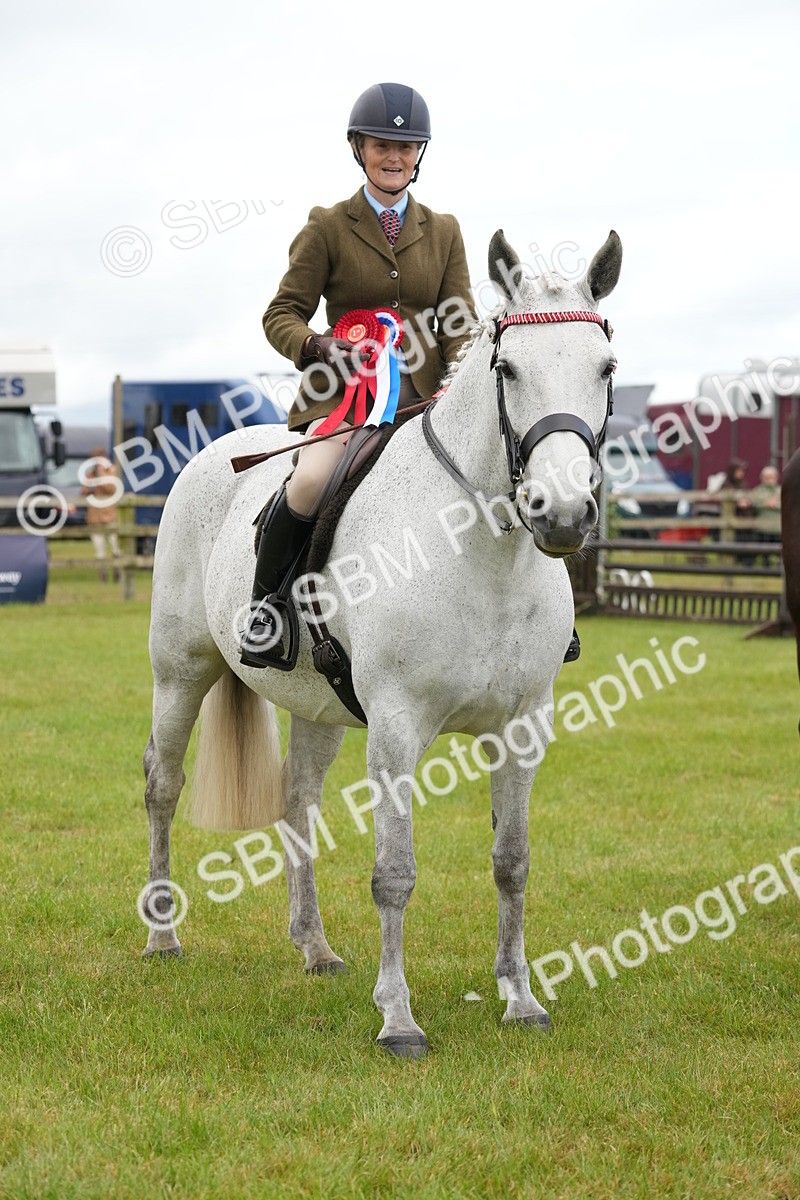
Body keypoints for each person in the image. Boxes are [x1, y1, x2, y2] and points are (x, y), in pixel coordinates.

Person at [240, 82, 477, 668]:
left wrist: (459, 378)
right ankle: (267, 610)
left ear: (420, 152)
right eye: (381, 144)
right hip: (342, 400)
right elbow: (280, 315)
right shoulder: (327, 226)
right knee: (309, 482)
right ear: (358, 148)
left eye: (407, 145)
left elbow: (460, 324)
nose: (394, 156)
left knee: (505, 467)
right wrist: (318, 344)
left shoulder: (444, 230)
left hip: (426, 401)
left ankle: (543, 619)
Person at [81, 449, 121, 582]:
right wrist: (94, 478)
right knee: (99, 551)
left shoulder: (112, 473)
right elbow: (84, 490)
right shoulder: (90, 475)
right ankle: (102, 575)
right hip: (95, 519)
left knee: (115, 548)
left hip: (110, 517)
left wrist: (101, 473)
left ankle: (117, 572)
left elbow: (110, 488)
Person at [749, 464, 781, 562]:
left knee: (780, 551)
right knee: (764, 552)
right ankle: (765, 566)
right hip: (762, 528)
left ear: (776, 477)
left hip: (778, 528)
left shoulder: (782, 490)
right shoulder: (757, 491)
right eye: (767, 477)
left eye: (771, 477)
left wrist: (771, 504)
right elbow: (754, 502)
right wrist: (766, 503)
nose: (769, 479)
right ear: (762, 478)